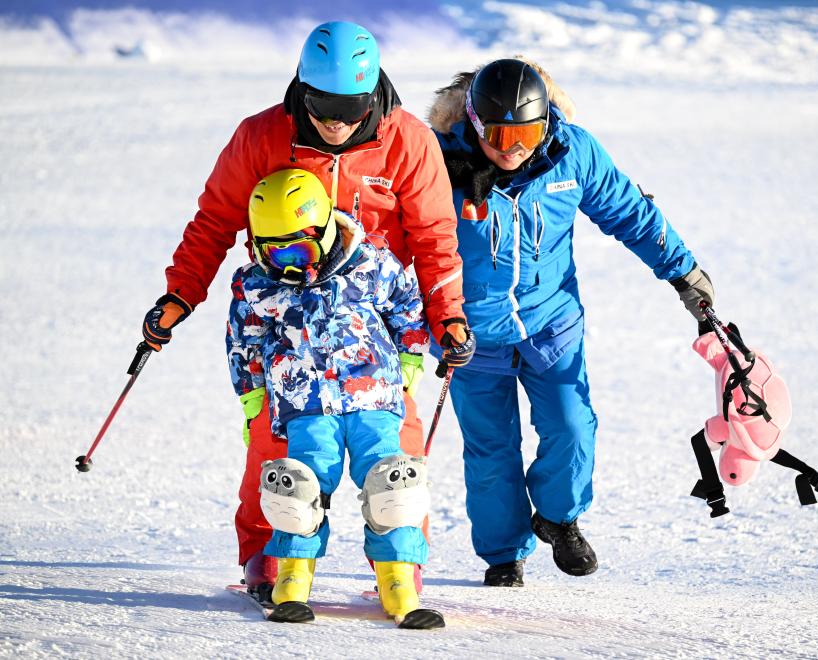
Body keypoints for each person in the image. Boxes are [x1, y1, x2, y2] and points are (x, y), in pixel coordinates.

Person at [140, 21, 475, 599]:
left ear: (373, 97)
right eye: (322, 106)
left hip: (374, 319)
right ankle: (268, 556)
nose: (336, 122)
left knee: (395, 447)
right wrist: (180, 294)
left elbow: (435, 239)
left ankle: (400, 566)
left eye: (350, 108)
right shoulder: (261, 136)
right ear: (302, 89)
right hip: (286, 318)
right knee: (275, 441)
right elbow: (214, 222)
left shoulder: (409, 141)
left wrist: (447, 317)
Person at [426, 59, 715, 586]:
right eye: (499, 136)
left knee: (572, 426)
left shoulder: (571, 153)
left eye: (527, 134)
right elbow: (405, 243)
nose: (513, 149)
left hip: (551, 324)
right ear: (473, 121)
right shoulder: (437, 164)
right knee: (490, 450)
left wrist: (684, 274)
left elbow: (630, 212)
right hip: (470, 336)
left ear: (546, 123)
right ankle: (504, 553)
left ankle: (560, 519)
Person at [226, 168, 441, 628]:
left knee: (392, 484)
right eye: (276, 253)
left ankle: (398, 580)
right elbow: (243, 343)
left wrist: (409, 360)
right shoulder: (257, 286)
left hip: (373, 398)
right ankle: (293, 579)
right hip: (304, 403)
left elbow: (408, 307)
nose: (290, 267)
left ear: (324, 231)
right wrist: (252, 398)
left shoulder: (370, 264)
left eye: (299, 252)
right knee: (298, 488)